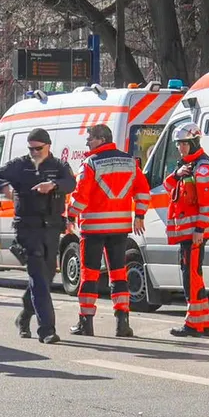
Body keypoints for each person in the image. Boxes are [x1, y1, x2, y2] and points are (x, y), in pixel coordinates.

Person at [0, 128, 76, 344]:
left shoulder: (59, 166)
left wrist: (53, 185)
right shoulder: (20, 165)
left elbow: (71, 183)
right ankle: (46, 330)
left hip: (52, 229)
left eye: (38, 148)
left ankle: (24, 316)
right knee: (37, 277)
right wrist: (5, 186)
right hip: (27, 229)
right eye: (31, 148)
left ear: (48, 146)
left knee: (45, 278)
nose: (34, 152)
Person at [66, 124, 150, 338]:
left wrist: (69, 215)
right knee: (119, 274)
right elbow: (142, 190)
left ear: (102, 139)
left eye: (90, 138)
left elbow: (80, 197)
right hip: (120, 228)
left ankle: (86, 323)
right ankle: (123, 323)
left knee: (90, 275)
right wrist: (139, 215)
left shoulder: (90, 164)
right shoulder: (130, 162)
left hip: (93, 229)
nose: (87, 142)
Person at [164, 122, 209, 338]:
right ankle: (204, 324)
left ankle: (193, 325)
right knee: (194, 276)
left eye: (185, 144)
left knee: (192, 278)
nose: (181, 148)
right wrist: (177, 174)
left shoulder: (202, 167)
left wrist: (199, 229)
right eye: (178, 144)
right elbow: (169, 187)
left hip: (194, 234)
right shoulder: (188, 166)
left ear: (195, 142)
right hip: (186, 234)